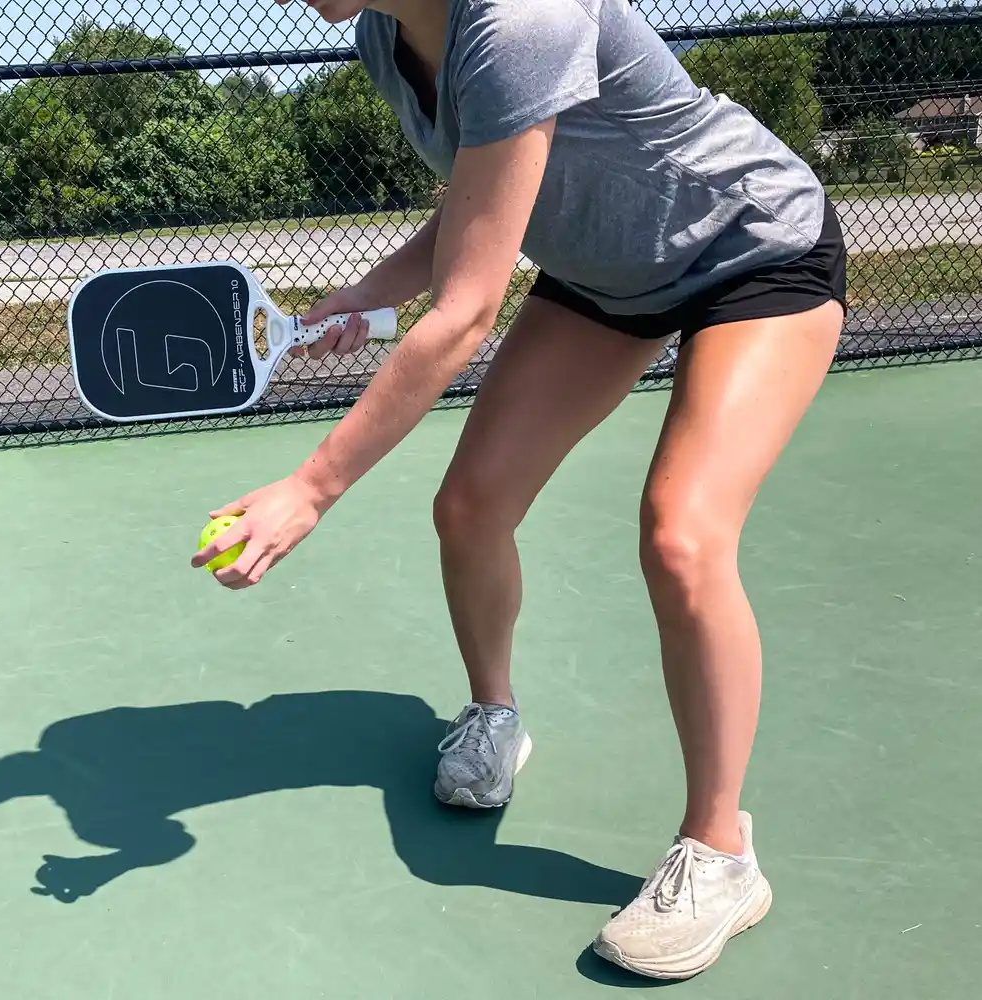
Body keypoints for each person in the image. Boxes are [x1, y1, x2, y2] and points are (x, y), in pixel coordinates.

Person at [191, 0, 847, 981]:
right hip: (607, 278)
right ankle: (493, 715)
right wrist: (366, 294)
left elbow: (464, 314)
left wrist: (312, 487)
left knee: (681, 533)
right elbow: (478, 201)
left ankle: (720, 851)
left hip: (750, 250)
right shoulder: (384, 36)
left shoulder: (521, 17)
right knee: (471, 505)